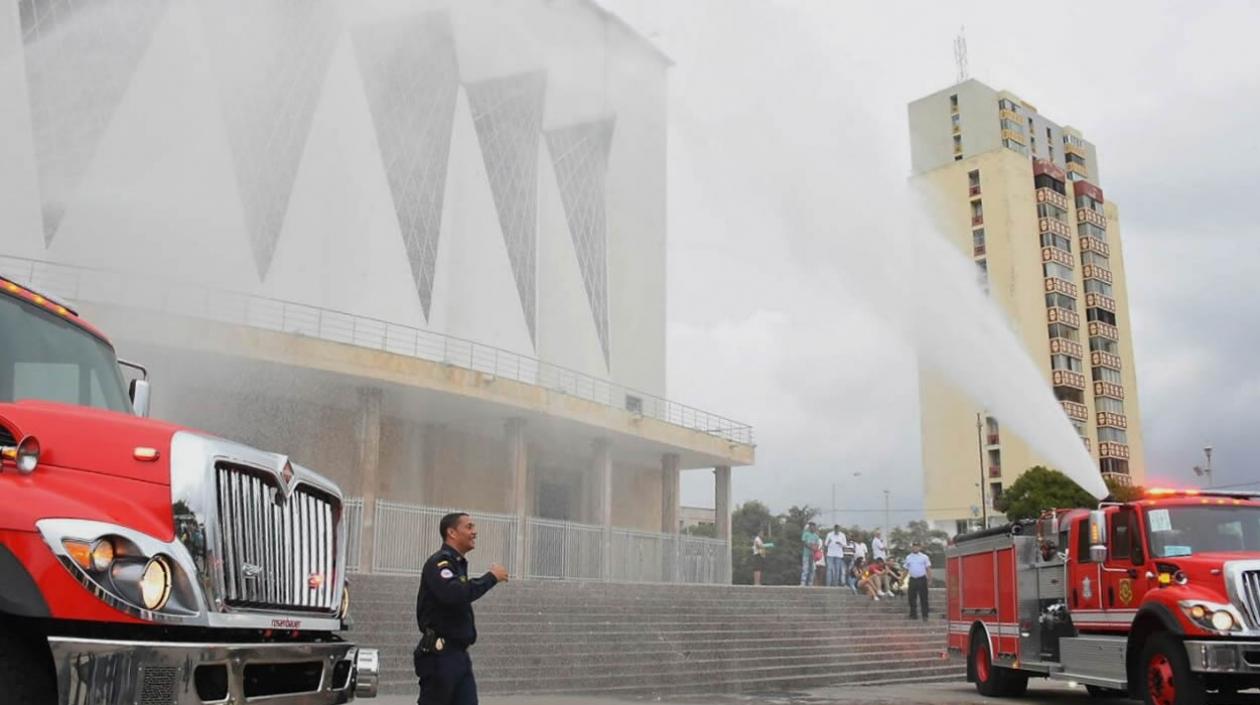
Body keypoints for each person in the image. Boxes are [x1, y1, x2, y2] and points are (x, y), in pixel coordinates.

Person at [415, 512, 509, 705]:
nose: (474, 532)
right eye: (468, 527)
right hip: (440, 656)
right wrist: (491, 577)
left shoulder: (457, 565)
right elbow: (454, 594)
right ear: (452, 533)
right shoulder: (439, 563)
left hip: (458, 655)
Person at [906, 541, 932, 621]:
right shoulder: (908, 557)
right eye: (914, 546)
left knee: (924, 598)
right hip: (912, 579)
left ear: (920, 547)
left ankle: (925, 615)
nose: (915, 548)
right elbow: (906, 569)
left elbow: (928, 569)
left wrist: (930, 579)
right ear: (912, 547)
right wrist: (901, 579)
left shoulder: (924, 557)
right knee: (911, 598)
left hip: (922, 579)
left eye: (917, 546)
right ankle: (913, 615)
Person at [800, 521, 821, 586]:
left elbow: (817, 545)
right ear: (810, 527)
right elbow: (804, 543)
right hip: (806, 554)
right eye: (812, 527)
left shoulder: (816, 536)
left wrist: (814, 549)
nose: (813, 528)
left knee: (812, 570)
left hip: (813, 555)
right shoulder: (806, 534)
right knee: (805, 569)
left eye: (814, 527)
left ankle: (810, 583)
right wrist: (812, 547)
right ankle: (803, 583)